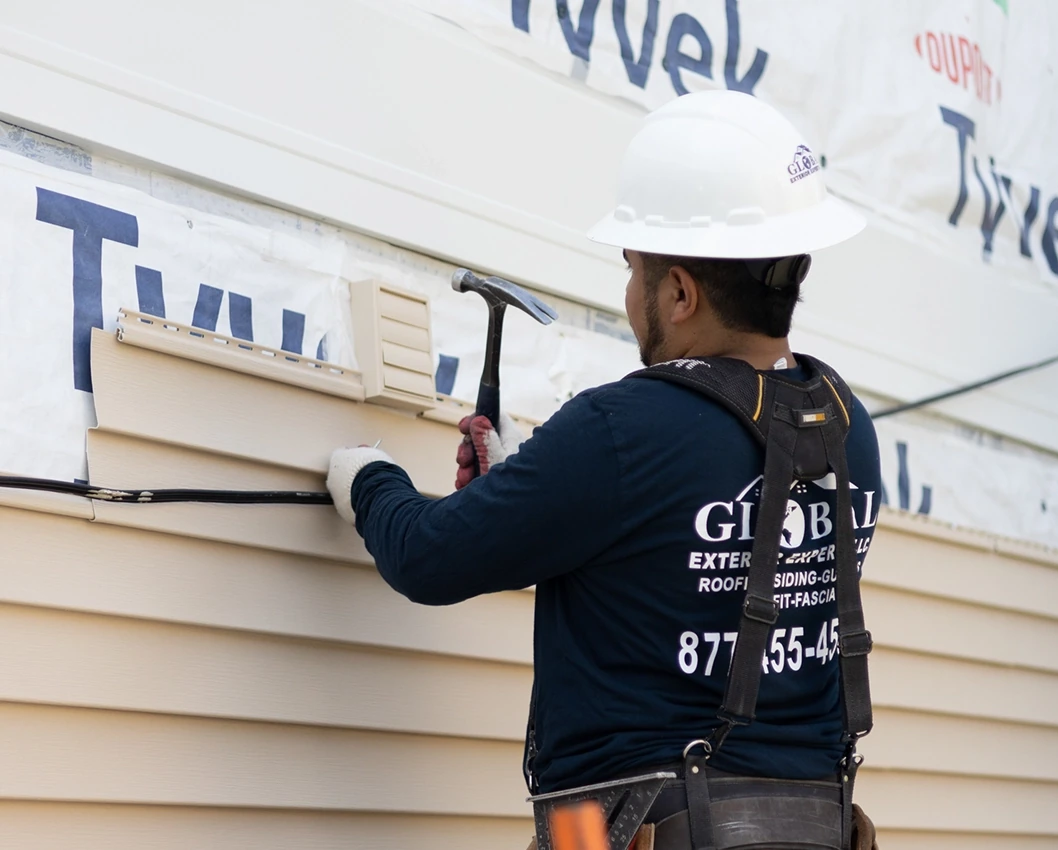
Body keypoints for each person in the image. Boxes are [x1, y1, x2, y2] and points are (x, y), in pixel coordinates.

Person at [327, 91, 881, 850]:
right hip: (811, 826)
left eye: (634, 271)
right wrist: (534, 486)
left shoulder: (625, 428)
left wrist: (367, 478)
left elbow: (427, 557)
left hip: (615, 830)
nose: (629, 296)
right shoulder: (850, 431)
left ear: (680, 292)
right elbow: (681, 571)